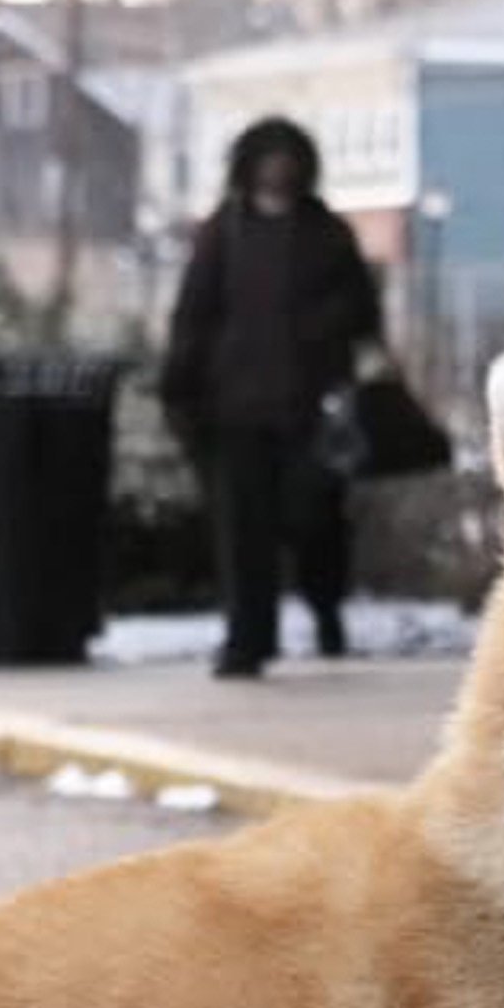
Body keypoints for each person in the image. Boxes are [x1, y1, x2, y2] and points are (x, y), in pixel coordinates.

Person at [158, 116, 387, 679]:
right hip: (235, 409)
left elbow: (364, 315)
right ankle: (247, 641)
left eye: (287, 157)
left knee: (316, 521)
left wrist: (326, 339)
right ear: (248, 165)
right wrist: (179, 386)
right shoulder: (223, 234)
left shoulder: (328, 234)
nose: (278, 168)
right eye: (267, 157)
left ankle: (326, 609)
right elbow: (194, 315)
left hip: (312, 410)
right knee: (242, 533)